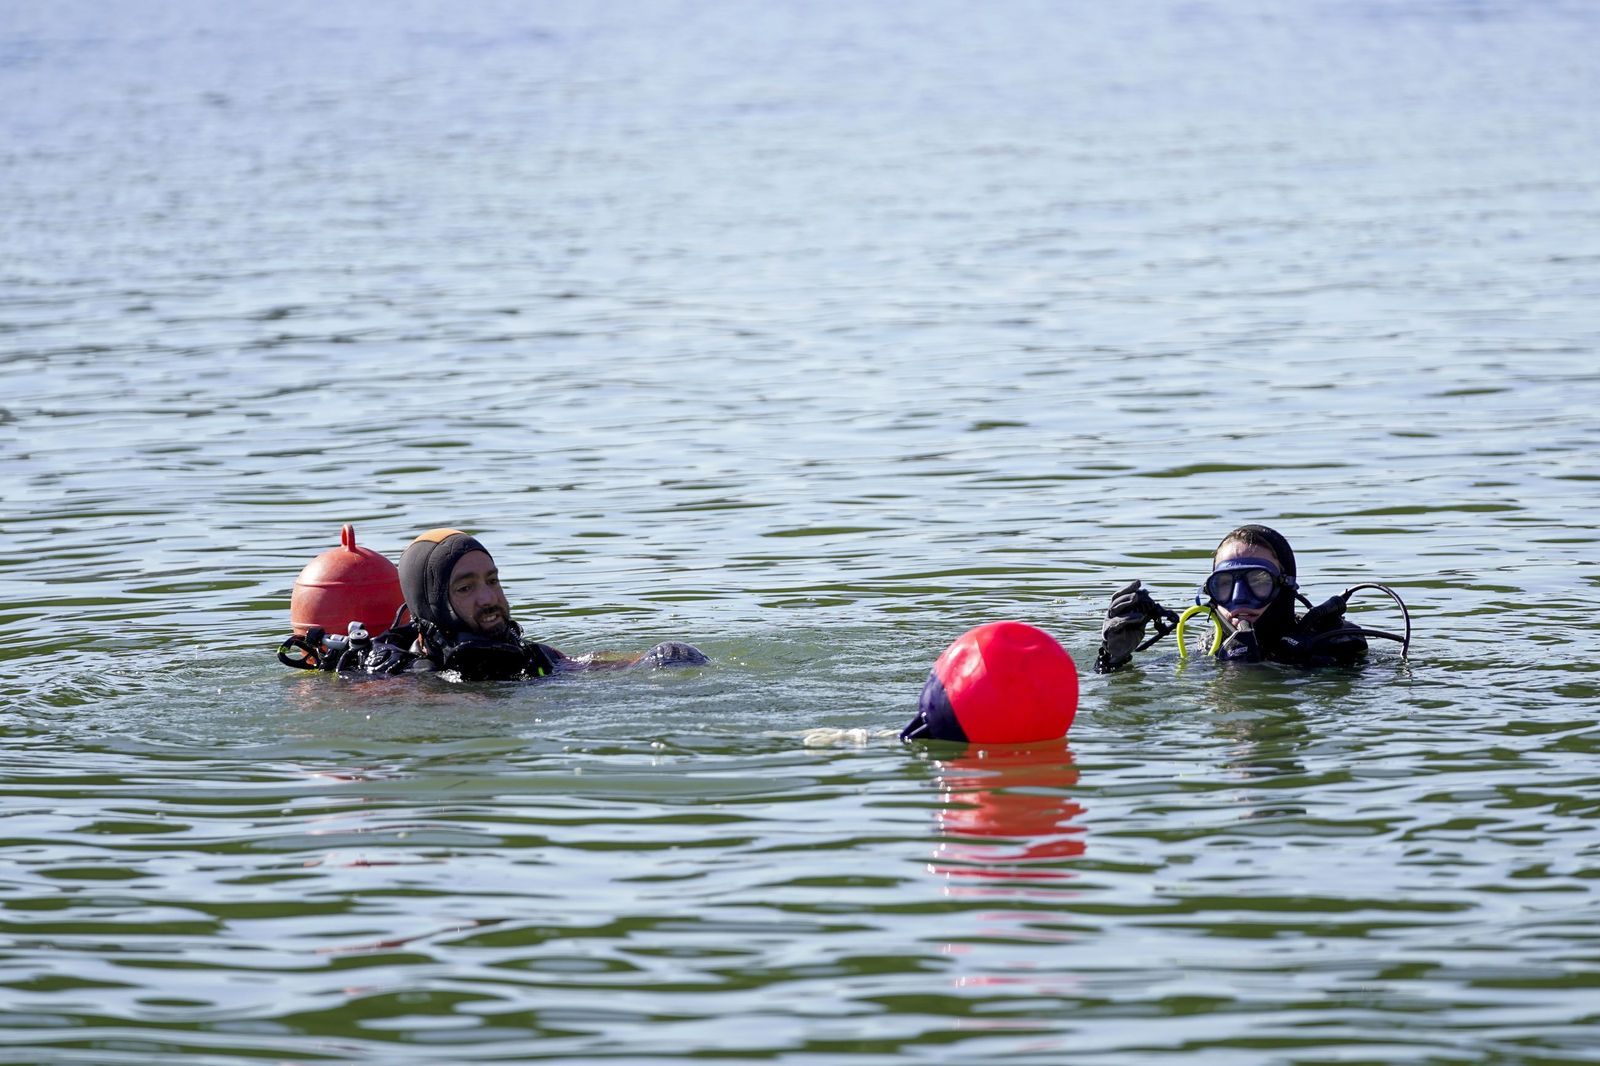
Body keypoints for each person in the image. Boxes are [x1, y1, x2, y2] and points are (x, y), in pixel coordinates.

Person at [361, 528, 709, 680]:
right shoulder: (399, 677)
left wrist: (652, 659)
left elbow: (579, 668)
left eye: (492, 581)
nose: (489, 599)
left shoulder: (524, 656)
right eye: (465, 588)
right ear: (432, 604)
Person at [1095, 524, 1378, 672]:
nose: (1240, 600)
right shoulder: (1209, 648)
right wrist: (1113, 660)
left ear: (1286, 586)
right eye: (1225, 585)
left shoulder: (1337, 644)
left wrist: (1253, 672)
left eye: (1258, 582)